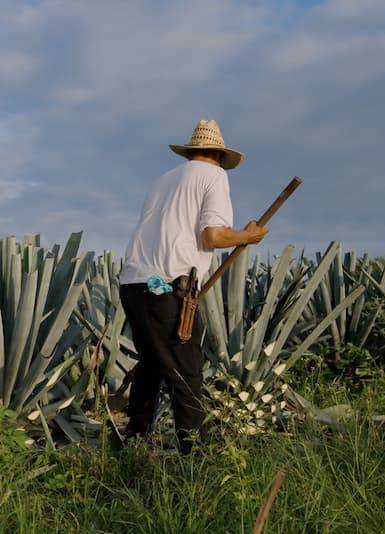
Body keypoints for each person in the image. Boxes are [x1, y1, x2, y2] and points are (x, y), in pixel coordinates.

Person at [119, 118, 268, 452]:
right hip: (168, 287)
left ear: (192, 151)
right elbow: (213, 236)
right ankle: (195, 459)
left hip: (132, 283)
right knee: (186, 374)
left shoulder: (162, 180)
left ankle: (136, 443)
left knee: (152, 364)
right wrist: (249, 236)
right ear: (218, 154)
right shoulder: (214, 176)